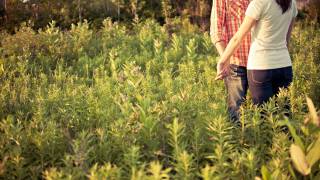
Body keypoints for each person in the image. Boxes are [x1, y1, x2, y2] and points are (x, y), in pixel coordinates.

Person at [216, 0, 298, 107]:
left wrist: (222, 61)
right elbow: (286, 40)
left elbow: (238, 38)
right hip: (284, 66)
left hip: (260, 67)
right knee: (284, 114)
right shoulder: (292, 3)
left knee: (264, 116)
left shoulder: (259, 3)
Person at [210, 0, 251, 123]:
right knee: (236, 113)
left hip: (259, 62)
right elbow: (216, 31)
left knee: (264, 111)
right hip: (235, 63)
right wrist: (225, 58)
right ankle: (238, 140)